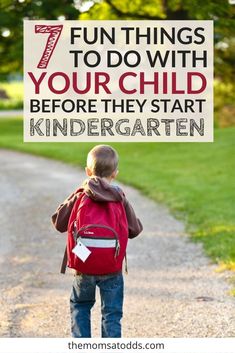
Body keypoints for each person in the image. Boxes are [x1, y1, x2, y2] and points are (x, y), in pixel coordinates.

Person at [51, 145, 143, 338]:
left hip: (84, 265)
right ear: (115, 174)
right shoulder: (120, 198)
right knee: (111, 314)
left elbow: (58, 223)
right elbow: (134, 230)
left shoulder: (80, 195)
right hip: (112, 266)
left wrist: (73, 197)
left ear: (87, 171)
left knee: (81, 306)